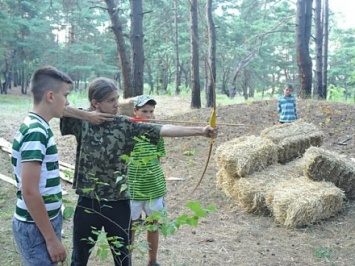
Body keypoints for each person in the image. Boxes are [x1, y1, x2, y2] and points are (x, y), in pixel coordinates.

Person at [59, 77, 218, 266]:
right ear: (95, 103)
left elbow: (162, 129)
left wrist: (201, 131)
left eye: (116, 99)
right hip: (88, 200)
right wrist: (87, 116)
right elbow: (57, 107)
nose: (116, 104)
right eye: (110, 101)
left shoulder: (125, 124)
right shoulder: (81, 121)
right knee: (79, 258)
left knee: (123, 258)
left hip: (118, 201)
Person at [11, 66, 72, 265]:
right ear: (51, 96)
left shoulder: (38, 126)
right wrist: (52, 239)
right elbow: (29, 191)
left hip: (43, 221)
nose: (68, 102)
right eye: (66, 95)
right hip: (35, 227)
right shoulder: (35, 132)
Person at [128, 95, 166, 266]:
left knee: (153, 224)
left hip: (154, 188)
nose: (148, 115)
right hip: (132, 189)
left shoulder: (157, 132)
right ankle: (125, 260)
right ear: (135, 111)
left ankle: (153, 261)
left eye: (151, 112)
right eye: (144, 111)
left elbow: (158, 159)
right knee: (130, 226)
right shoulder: (128, 130)